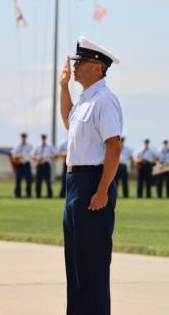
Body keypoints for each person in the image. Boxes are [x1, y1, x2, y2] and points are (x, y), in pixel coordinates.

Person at [60, 36, 122, 315]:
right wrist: (63, 88)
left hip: (92, 183)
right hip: (74, 183)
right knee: (75, 266)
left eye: (81, 62)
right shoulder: (85, 101)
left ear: (97, 67)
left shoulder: (105, 101)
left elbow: (114, 147)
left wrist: (102, 191)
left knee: (93, 266)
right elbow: (67, 122)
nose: (75, 67)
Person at [33, 134, 56, 198]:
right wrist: (37, 157)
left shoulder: (50, 146)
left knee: (48, 180)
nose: (43, 139)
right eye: (42, 138)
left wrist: (50, 156)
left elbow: (55, 154)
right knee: (38, 181)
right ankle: (38, 195)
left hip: (46, 164)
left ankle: (49, 195)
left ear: (46, 138)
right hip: (39, 164)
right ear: (41, 138)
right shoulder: (37, 146)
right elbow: (32, 155)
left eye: (44, 138)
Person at [11, 133, 33, 198]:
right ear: (21, 138)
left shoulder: (30, 146)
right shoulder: (17, 146)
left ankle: (28, 194)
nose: (23, 138)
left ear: (26, 138)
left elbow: (32, 154)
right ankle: (17, 194)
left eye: (25, 137)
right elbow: (13, 154)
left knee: (28, 180)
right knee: (18, 179)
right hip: (20, 164)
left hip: (26, 164)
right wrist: (18, 155)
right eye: (22, 137)